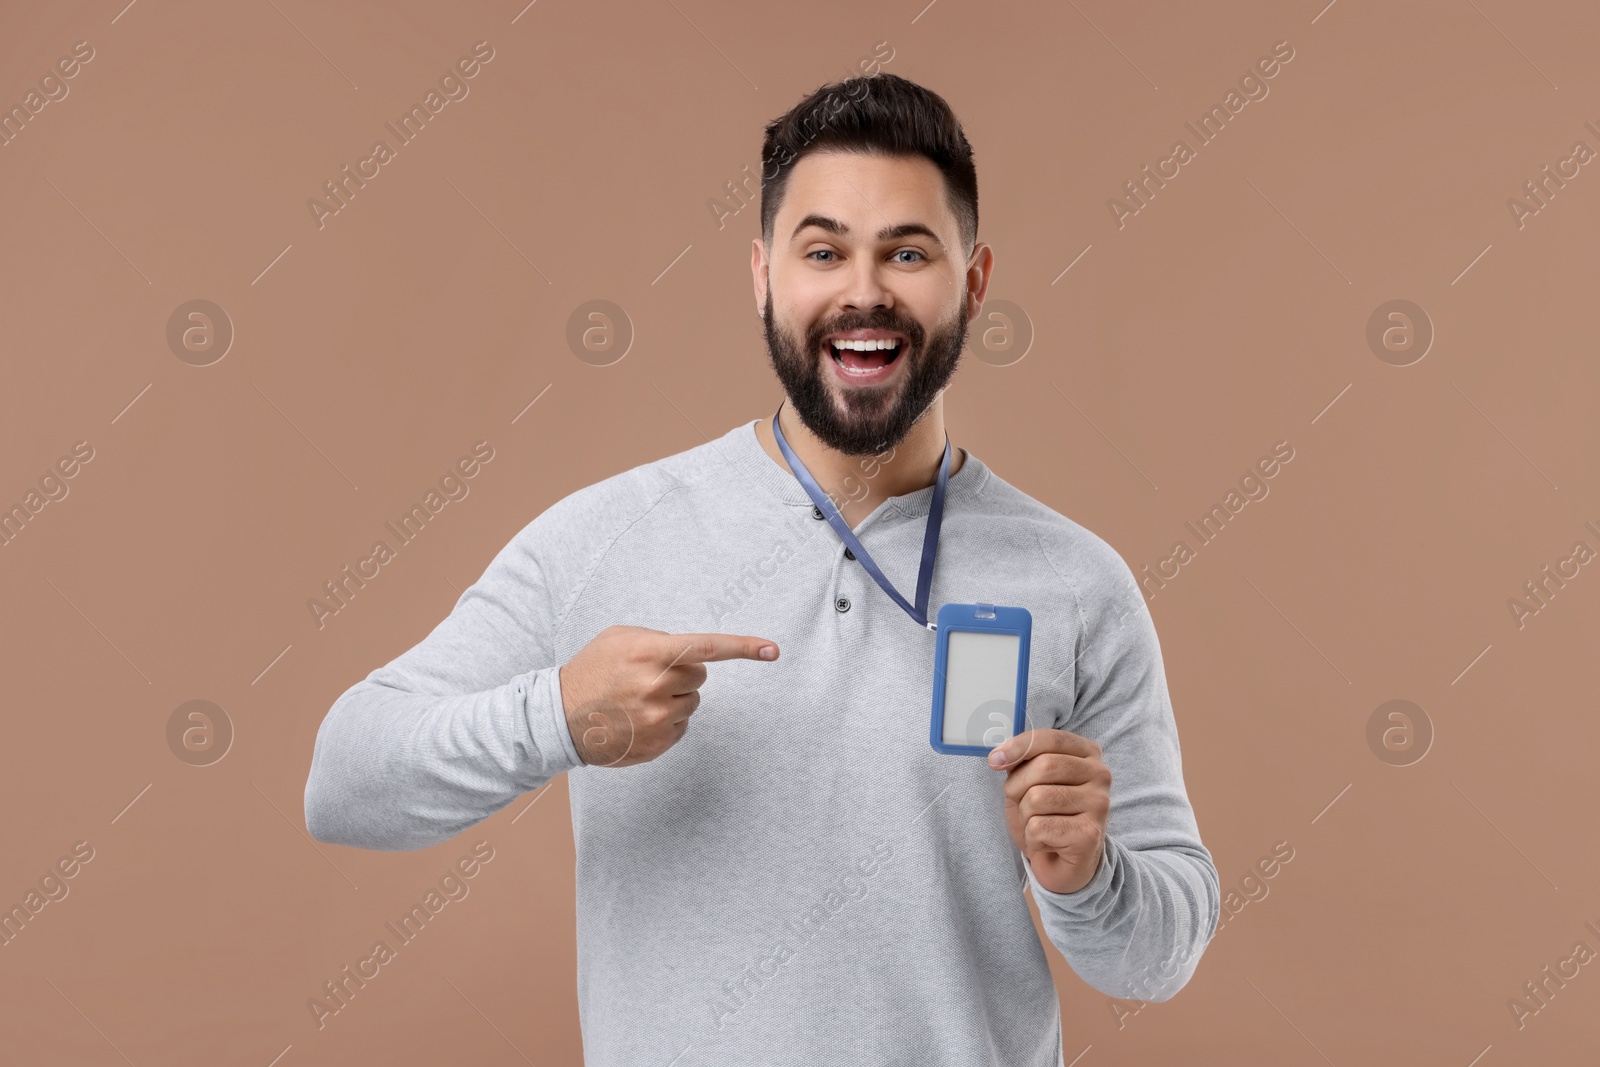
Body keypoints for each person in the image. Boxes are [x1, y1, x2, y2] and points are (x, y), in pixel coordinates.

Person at [305, 71, 1219, 1066]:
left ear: (974, 279)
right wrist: (557, 716)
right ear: (762, 276)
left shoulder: (1077, 582)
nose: (863, 290)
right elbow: (345, 780)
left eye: (907, 252)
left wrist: (1088, 874)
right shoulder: (605, 535)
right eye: (822, 250)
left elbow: (1158, 957)